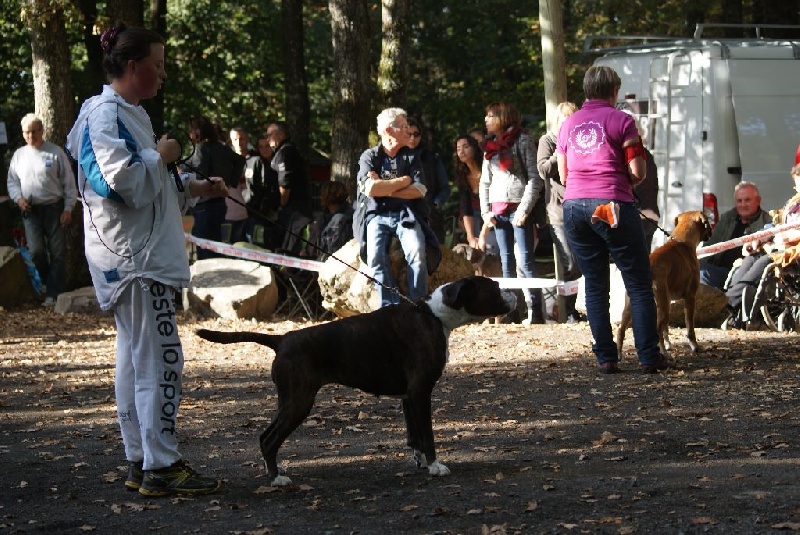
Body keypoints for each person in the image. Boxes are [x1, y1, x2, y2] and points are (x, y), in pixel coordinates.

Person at [65, 23, 226, 496]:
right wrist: (162, 156)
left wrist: (192, 187)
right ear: (133, 67)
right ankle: (160, 464)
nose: (163, 75)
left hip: (139, 258)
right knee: (160, 360)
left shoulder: (129, 114)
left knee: (138, 361)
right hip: (134, 262)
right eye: (158, 65)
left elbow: (148, 188)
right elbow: (120, 186)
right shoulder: (103, 115)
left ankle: (142, 460)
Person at [556, 65, 668, 374]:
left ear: (586, 90)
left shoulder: (568, 125)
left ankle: (606, 357)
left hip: (575, 207)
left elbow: (563, 175)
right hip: (612, 205)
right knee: (638, 283)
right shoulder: (622, 121)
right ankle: (648, 356)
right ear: (614, 91)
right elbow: (638, 172)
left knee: (594, 284)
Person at [354, 107, 440, 308]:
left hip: (406, 215)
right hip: (377, 215)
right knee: (375, 258)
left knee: (417, 253)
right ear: (388, 130)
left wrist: (385, 187)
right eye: (403, 127)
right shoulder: (369, 156)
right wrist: (403, 181)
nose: (408, 132)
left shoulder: (411, 156)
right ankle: (390, 306)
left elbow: (419, 190)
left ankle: (418, 305)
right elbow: (370, 189)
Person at [479, 101, 546, 325]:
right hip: (498, 212)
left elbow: (535, 179)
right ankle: (511, 311)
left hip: (519, 210)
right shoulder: (490, 147)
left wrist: (525, 210)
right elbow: (484, 182)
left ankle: (536, 312)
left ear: (503, 117)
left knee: (525, 260)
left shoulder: (524, 141)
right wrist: (485, 212)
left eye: (490, 116)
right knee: (505, 261)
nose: (486, 120)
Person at [6, 113, 77, 306]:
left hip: (54, 208)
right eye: (27, 132)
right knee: (36, 251)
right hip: (30, 210)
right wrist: (18, 198)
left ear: (42, 131)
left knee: (58, 252)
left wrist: (68, 208)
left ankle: (55, 294)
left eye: (34, 131)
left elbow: (69, 184)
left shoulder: (55, 152)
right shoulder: (19, 155)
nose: (31, 136)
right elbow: (12, 182)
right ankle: (46, 285)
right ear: (23, 134)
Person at [725, 168, 800, 328]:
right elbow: (774, 224)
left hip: (792, 251)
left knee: (763, 263)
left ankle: (726, 305)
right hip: (777, 246)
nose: (798, 189)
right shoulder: (793, 203)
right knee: (749, 259)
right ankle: (727, 302)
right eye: (796, 185)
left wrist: (788, 237)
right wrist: (758, 238)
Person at [537, 101, 582, 323]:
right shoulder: (548, 140)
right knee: (570, 262)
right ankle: (566, 310)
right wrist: (560, 152)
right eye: (564, 118)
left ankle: (577, 309)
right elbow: (543, 169)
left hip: (581, 207)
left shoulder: (582, 141)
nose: (568, 122)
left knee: (582, 261)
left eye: (571, 117)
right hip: (558, 212)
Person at [185, 115, 242, 259]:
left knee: (205, 250)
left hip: (204, 205)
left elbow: (200, 172)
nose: (189, 134)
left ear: (197, 131)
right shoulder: (222, 148)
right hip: (220, 204)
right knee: (217, 246)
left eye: (190, 130)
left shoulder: (200, 148)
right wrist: (230, 182)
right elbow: (240, 161)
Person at [699, 181, 772, 289]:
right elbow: (710, 245)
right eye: (739, 201)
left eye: (747, 200)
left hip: (740, 272)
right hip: (717, 267)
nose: (742, 205)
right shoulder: (727, 218)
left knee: (703, 275)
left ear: (758, 201)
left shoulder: (766, 222)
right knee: (692, 269)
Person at [266, 121, 312, 255]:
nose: (267, 138)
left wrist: (281, 204)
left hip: (293, 211)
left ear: (280, 135)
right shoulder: (285, 150)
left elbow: (285, 183)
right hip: (294, 209)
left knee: (288, 248)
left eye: (270, 135)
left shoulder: (285, 152)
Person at [407, 117, 450, 242]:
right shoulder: (393, 159)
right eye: (409, 134)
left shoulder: (432, 158)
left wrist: (436, 204)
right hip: (402, 215)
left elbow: (445, 188)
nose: (412, 138)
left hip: (429, 215)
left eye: (416, 134)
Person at [452, 134, 496, 253]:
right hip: (475, 214)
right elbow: (466, 208)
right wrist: (470, 237)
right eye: (458, 148)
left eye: (466, 147)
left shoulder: (487, 168)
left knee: (489, 245)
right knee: (476, 246)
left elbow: (494, 204)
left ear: (474, 148)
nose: (461, 151)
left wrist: (483, 234)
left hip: (494, 212)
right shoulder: (462, 175)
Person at [243, 134, 280, 248]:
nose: (265, 149)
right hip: (255, 211)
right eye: (261, 146)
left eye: (267, 146)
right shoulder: (252, 162)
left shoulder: (279, 162)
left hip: (275, 211)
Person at [307, 180, 353, 260]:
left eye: (323, 194)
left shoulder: (342, 219)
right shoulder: (323, 216)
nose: (320, 197)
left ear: (330, 195)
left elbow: (333, 246)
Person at [226, 126, 252, 243]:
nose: (239, 142)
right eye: (235, 140)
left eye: (242, 139)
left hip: (248, 213)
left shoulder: (256, 159)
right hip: (231, 213)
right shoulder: (226, 161)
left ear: (247, 139)